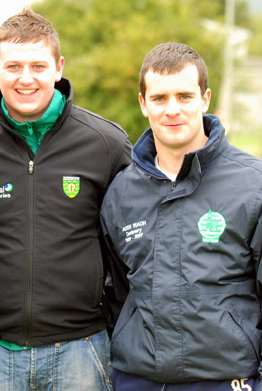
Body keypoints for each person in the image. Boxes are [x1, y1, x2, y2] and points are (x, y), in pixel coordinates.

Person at [0, 8, 132, 391]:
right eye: (13, 66)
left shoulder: (106, 144)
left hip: (81, 348)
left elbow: (129, 246)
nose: (26, 78)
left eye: (38, 65)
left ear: (59, 67)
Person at [100, 42, 262, 391]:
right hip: (138, 380)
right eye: (159, 98)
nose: (172, 109)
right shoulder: (120, 193)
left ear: (204, 99)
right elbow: (116, 293)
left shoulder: (254, 184)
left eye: (184, 96)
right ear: (143, 104)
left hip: (227, 380)